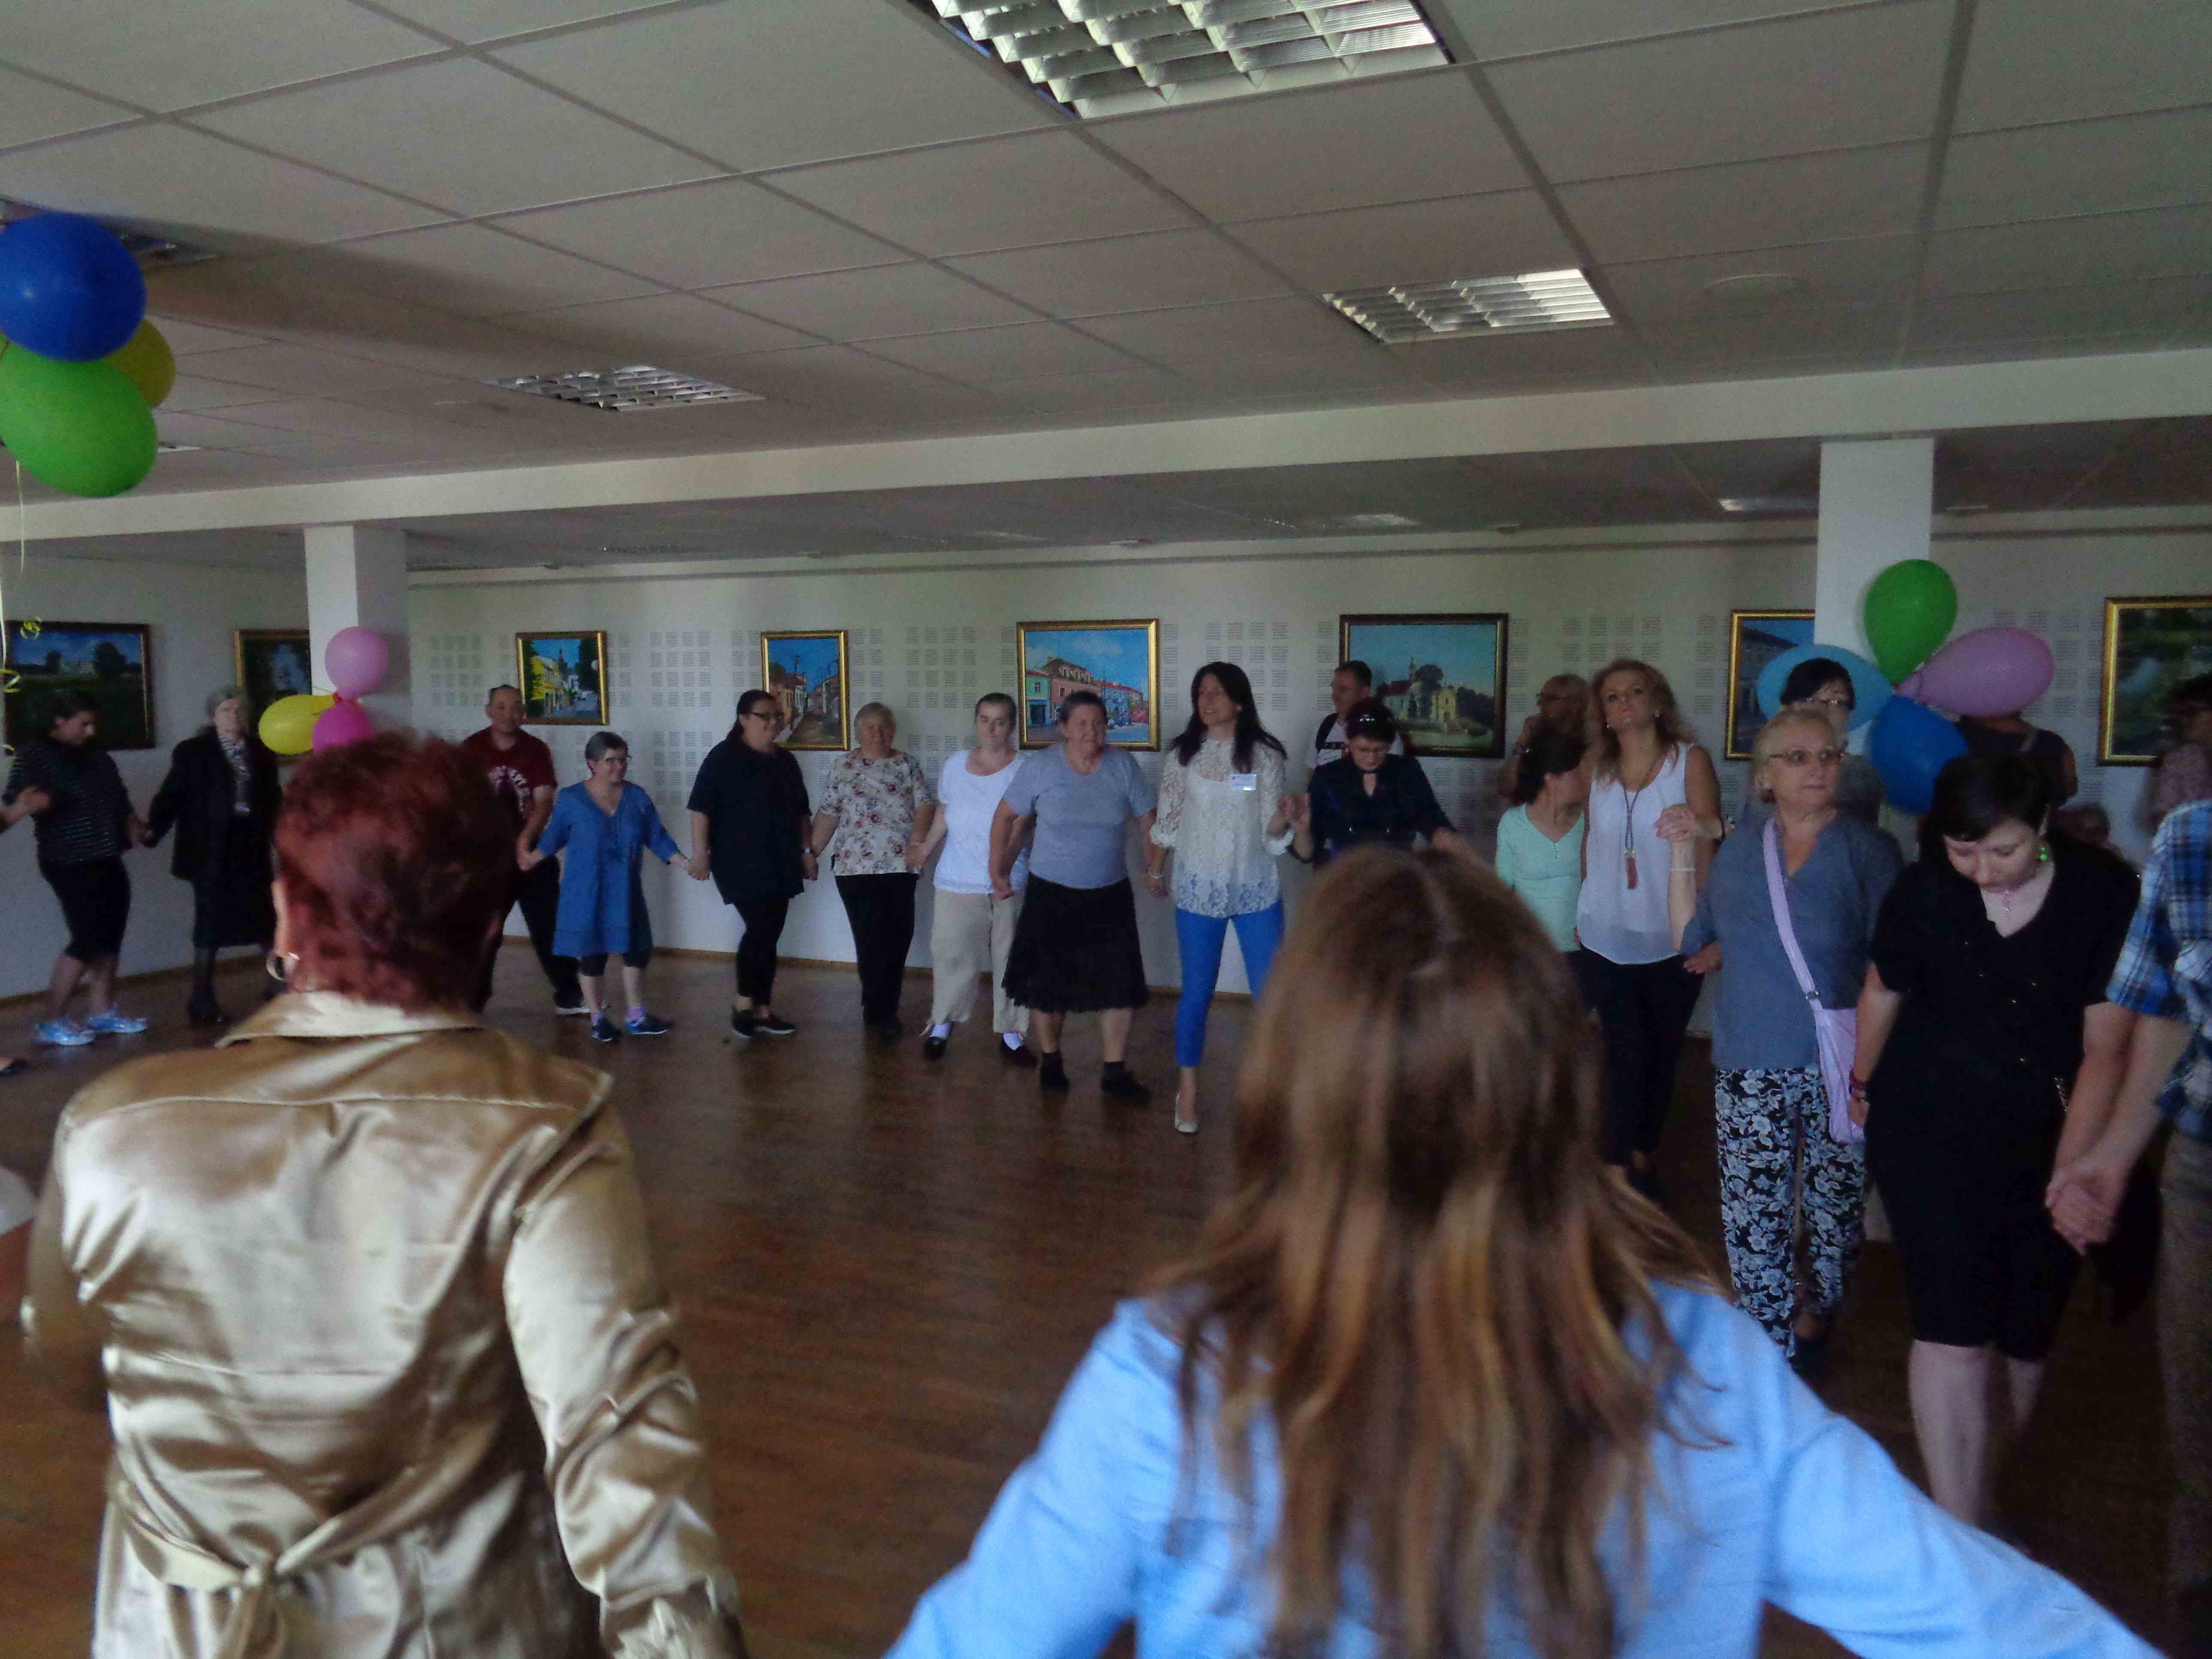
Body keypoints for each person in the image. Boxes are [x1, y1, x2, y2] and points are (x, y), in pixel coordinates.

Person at [881, 848, 2156, 1659]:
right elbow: (1992, 1621)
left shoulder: (1171, 1370)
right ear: (1555, 1087)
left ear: (1288, 1095)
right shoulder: (1703, 1361)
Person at [23, 732, 747, 1657]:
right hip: (456, 1629)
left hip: (178, 1631)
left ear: (285, 915)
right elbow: (623, 1443)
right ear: (484, 926)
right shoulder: (540, 1125)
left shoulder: (113, 1123)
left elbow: (74, 1363)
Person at [1850, 752, 2138, 1526]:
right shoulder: (1924, 888)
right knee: (1951, 1327)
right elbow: (1882, 989)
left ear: (2042, 823)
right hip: (1925, 1122)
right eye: (1962, 850)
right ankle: (1962, 1532)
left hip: (2052, 1125)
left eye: (2003, 850)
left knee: (2023, 1333)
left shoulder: (2101, 891)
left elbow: (2106, 1050)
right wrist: (1860, 1083)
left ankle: (1981, 1498)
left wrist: (2071, 1174)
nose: (1982, 870)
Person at [1671, 709, 1902, 1371]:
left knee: (1836, 1208)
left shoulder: (1869, 851)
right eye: (1797, 757)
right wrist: (1682, 852)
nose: (1818, 769)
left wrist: (1873, 1072)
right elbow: (1694, 938)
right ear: (1765, 776)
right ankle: (1767, 1346)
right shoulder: (1742, 850)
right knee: (1754, 1210)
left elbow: (1893, 964)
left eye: (1829, 755)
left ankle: (1819, 1307)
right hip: (1751, 1053)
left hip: (1844, 1060)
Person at [2049, 798, 2212, 1658]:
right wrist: (2111, 1159)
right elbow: (2167, 1012)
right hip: (2202, 1159)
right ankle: (2198, 1590)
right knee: (2196, 1391)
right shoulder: (2190, 839)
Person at [1574, 658, 1721, 1192]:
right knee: (1624, 1050)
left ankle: (1643, 1151)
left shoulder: (1689, 761)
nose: (1625, 703)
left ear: (1657, 701)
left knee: (1662, 1052)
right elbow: (1591, 838)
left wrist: (1706, 925)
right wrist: (1584, 904)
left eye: (1635, 692)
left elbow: (1707, 842)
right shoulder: (1595, 764)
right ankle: (1616, 1168)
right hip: (1606, 931)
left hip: (1673, 933)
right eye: (1613, 697)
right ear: (1603, 713)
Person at [1144, 662, 1294, 1134]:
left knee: (1271, 995)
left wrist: (1287, 818)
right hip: (1199, 887)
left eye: (1216, 692)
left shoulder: (1265, 755)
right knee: (1197, 993)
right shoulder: (1183, 756)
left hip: (1254, 886)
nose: (1206, 701)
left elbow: (1271, 829)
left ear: (1239, 701)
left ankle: (1270, 1092)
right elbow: (1167, 822)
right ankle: (1187, 1090)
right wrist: (1155, 869)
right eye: (1201, 692)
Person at [994, 690, 1157, 1102]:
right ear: (1064, 728)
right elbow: (1005, 816)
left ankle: (1114, 1072)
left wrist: (1154, 867)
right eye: (1081, 723)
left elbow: (1148, 821)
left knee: (1119, 986)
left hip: (1109, 894)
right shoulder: (1041, 767)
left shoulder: (1123, 766)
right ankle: (1051, 1061)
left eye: (1099, 723)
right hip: (1051, 894)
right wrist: (997, 868)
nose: (1091, 731)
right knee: (1048, 986)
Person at [1, 689, 149, 1048]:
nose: (91, 732)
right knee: (87, 938)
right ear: (60, 721)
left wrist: (134, 824)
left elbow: (119, 798)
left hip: (108, 854)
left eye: (94, 724)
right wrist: (28, 805)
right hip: (67, 859)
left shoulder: (99, 756)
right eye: (83, 724)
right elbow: (14, 805)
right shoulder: (34, 755)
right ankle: (51, 1021)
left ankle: (102, 1012)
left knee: (110, 936)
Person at [523, 730, 692, 1044]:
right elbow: (555, 835)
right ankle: (597, 1018)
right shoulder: (572, 799)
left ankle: (636, 1015)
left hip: (625, 890)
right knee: (592, 955)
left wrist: (685, 863)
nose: (619, 766)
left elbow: (656, 836)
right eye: (610, 761)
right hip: (585, 892)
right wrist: (532, 857)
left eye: (623, 760)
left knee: (637, 951)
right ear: (592, 763)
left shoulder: (637, 797)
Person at [143, 684, 282, 1026]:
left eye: (239, 710)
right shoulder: (194, 752)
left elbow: (274, 800)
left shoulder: (261, 751)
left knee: (266, 918)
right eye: (226, 711)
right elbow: (172, 795)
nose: (234, 716)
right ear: (212, 717)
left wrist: (288, 838)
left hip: (251, 846)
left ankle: (278, 985)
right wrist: (153, 830)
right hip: (209, 850)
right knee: (210, 923)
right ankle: (201, 998)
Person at [912, 693, 1033, 1067]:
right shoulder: (955, 765)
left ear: (1012, 726)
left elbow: (1023, 825)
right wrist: (925, 848)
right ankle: (942, 1024)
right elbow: (946, 812)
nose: (991, 729)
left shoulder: (1026, 768)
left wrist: (1001, 870)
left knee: (1010, 957)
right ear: (976, 721)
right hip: (956, 879)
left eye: (1000, 721)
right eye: (984, 720)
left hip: (1008, 881)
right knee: (951, 954)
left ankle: (1011, 1034)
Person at [690, 689, 815, 1040]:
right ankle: (744, 1004)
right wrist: (700, 854)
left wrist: (807, 851)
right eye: (766, 716)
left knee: (770, 933)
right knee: (761, 927)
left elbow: (802, 812)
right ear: (744, 719)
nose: (775, 722)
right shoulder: (723, 757)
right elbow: (700, 809)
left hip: (781, 858)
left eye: (778, 716)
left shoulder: (786, 761)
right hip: (738, 860)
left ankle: (762, 1009)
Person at [812, 702, 936, 1040]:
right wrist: (810, 853)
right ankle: (879, 1010)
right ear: (857, 731)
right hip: (855, 868)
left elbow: (926, 806)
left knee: (899, 936)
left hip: (901, 865)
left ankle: (884, 1004)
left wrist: (917, 842)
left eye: (884, 727)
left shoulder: (907, 764)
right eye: (870, 727)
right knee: (870, 939)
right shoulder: (843, 766)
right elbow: (828, 814)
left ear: (893, 730)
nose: (877, 734)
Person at [461, 684, 584, 1016]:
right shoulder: (471, 749)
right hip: (488, 858)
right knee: (485, 931)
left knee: (549, 927)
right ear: (489, 711)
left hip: (531, 854)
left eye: (516, 707)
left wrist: (524, 840)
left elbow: (544, 803)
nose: (509, 713)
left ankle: (570, 995)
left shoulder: (535, 750)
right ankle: (471, 1002)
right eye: (501, 707)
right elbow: (461, 802)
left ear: (524, 713)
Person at [1287, 699, 1457, 866]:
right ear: (1347, 738)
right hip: (1346, 878)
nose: (1371, 758)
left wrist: (1448, 840)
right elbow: (1307, 854)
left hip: (1399, 875)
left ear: (1391, 744)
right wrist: (1303, 831)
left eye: (1380, 750)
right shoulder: (1328, 776)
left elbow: (1432, 819)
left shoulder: (1407, 771)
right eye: (1363, 750)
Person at [1737, 656, 1884, 826]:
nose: (1823, 710)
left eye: (1837, 702)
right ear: (1788, 708)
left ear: (1849, 714)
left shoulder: (1860, 775)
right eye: (1810, 700)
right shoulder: (1772, 763)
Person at [1492, 725, 1587, 951]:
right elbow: (1502, 892)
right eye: (1579, 772)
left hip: (1587, 950)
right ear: (1552, 780)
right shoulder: (1513, 823)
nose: (1588, 779)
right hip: (1535, 952)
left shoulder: (1591, 820)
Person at [1492, 672, 1591, 800]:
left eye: (1550, 698)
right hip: (1528, 811)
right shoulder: (1537, 739)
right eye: (1541, 697)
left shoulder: (1588, 746)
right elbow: (1505, 788)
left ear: (1575, 704)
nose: (1541, 703)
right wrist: (1522, 741)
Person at [1958, 707, 2079, 808]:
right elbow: (2070, 788)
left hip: (1966, 827)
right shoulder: (2052, 743)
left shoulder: (1953, 735)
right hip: (2036, 827)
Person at [1304, 658, 1403, 774]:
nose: (1334, 696)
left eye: (1343, 690)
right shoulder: (1323, 728)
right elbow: (1312, 777)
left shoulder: (1385, 734)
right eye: (1334, 689)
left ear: (1364, 693)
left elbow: (1392, 780)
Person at [2145, 672, 2212, 833]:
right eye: (2181, 713)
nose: (2183, 720)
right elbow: (2162, 820)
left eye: (2192, 712)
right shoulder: (2178, 760)